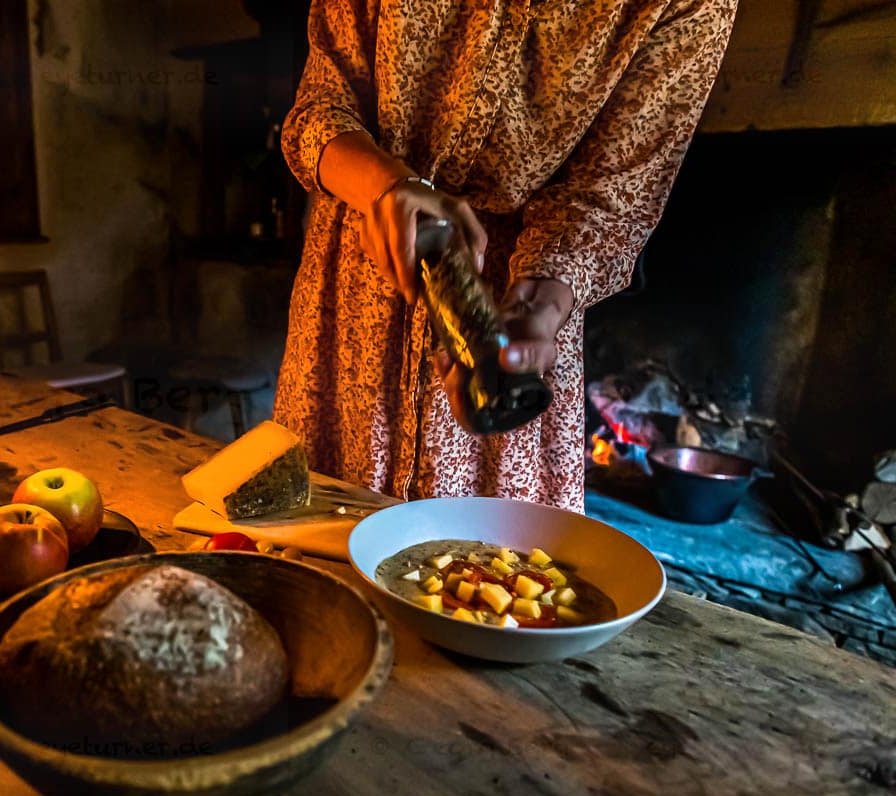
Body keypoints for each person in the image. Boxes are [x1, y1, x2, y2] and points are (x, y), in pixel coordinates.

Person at [276, 0, 738, 511]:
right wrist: (384, 186)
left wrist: (539, 306)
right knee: (315, 543)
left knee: (481, 570)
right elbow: (321, 104)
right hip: (362, 274)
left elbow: (613, 192)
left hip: (516, 292)